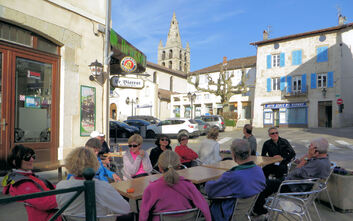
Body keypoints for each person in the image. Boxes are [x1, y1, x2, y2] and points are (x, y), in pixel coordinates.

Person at [254, 137, 331, 216]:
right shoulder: (321, 160)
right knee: (266, 184)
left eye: (310, 146)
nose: (308, 148)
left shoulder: (318, 163)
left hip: (293, 187)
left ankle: (259, 211)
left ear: (316, 151)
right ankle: (261, 206)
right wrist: (307, 158)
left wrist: (304, 161)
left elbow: (294, 172)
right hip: (292, 183)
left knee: (261, 184)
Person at [56, 147, 132, 220]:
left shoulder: (61, 186)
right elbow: (125, 209)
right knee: (129, 216)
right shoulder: (102, 186)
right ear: (94, 164)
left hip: (71, 219)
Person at [139, 150, 212, 221]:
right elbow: (204, 206)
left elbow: (143, 214)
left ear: (159, 167)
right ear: (179, 166)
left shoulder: (152, 188)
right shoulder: (188, 185)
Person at [205, 139, 266, 221]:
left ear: (233, 155)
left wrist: (210, 181)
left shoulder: (232, 176)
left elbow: (209, 191)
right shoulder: (259, 170)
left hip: (228, 214)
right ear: (249, 152)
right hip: (245, 211)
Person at [2, 145, 61, 221]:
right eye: (27, 157)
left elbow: (51, 187)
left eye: (33, 156)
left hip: (55, 213)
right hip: (48, 217)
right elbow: (43, 203)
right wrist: (66, 195)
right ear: (15, 161)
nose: (32, 159)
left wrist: (66, 187)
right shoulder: (21, 183)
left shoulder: (29, 176)